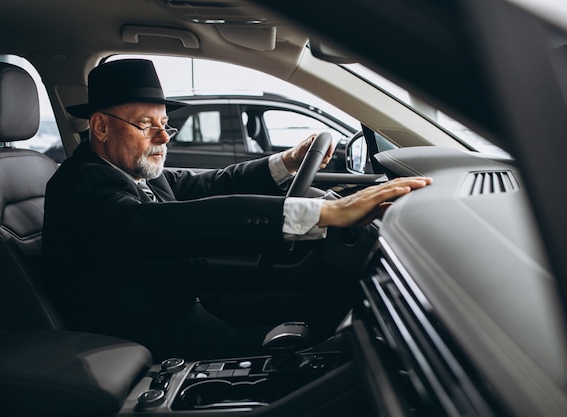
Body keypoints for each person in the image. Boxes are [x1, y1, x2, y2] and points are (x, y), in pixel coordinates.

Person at [43, 59, 431, 361]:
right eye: (145, 124)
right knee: (312, 353)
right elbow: (175, 224)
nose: (163, 137)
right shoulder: (82, 185)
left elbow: (212, 184)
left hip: (181, 301)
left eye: (165, 123)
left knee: (318, 306)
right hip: (138, 331)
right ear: (100, 127)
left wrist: (289, 161)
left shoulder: (133, 169)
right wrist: (324, 214)